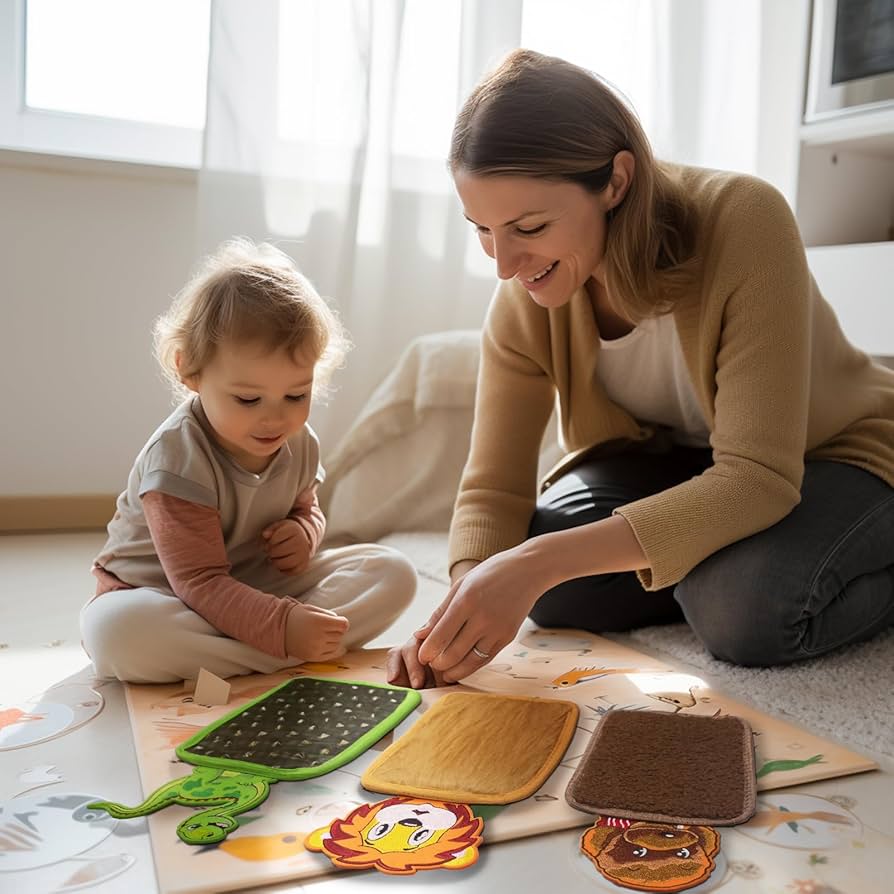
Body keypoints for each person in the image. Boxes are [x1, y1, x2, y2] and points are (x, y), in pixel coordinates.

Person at [387, 48, 894, 688]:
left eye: (529, 226)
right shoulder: (524, 298)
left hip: (832, 453)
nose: (505, 264)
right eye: (483, 230)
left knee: (743, 610)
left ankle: (750, 571)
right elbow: (494, 490)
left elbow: (759, 476)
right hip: (680, 466)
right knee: (547, 587)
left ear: (617, 181)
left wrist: (534, 562)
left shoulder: (745, 219)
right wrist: (463, 605)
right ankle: (712, 563)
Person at [82, 238, 417, 683]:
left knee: (392, 573)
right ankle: (285, 651)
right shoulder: (177, 459)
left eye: (297, 394)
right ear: (190, 372)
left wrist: (304, 532)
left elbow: (305, 507)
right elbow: (198, 581)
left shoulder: (299, 441)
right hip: (164, 596)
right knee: (119, 636)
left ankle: (242, 654)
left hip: (253, 585)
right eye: (248, 398)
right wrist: (282, 627)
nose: (275, 416)